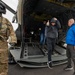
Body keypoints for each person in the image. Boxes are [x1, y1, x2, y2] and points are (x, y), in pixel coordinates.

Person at [0, 2, 17, 75]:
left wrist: (13, 40)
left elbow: (12, 31)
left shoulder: (6, 21)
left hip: (3, 44)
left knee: (3, 62)